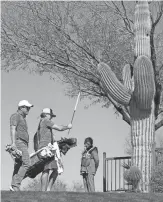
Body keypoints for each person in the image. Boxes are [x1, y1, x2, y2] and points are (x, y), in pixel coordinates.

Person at [36, 108, 72, 191]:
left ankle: (45, 191)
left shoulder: (42, 122)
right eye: (50, 115)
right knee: (48, 169)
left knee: (49, 169)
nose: (51, 117)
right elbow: (58, 128)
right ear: (46, 114)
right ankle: (45, 191)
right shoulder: (46, 121)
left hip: (45, 148)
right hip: (46, 148)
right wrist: (68, 127)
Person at [10, 100, 34, 191]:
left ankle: (13, 186)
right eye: (27, 107)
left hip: (23, 143)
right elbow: (12, 128)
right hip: (19, 142)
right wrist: (13, 143)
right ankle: (16, 185)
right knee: (27, 163)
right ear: (21, 107)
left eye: (29, 108)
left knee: (18, 164)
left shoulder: (23, 118)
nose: (29, 109)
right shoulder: (15, 116)